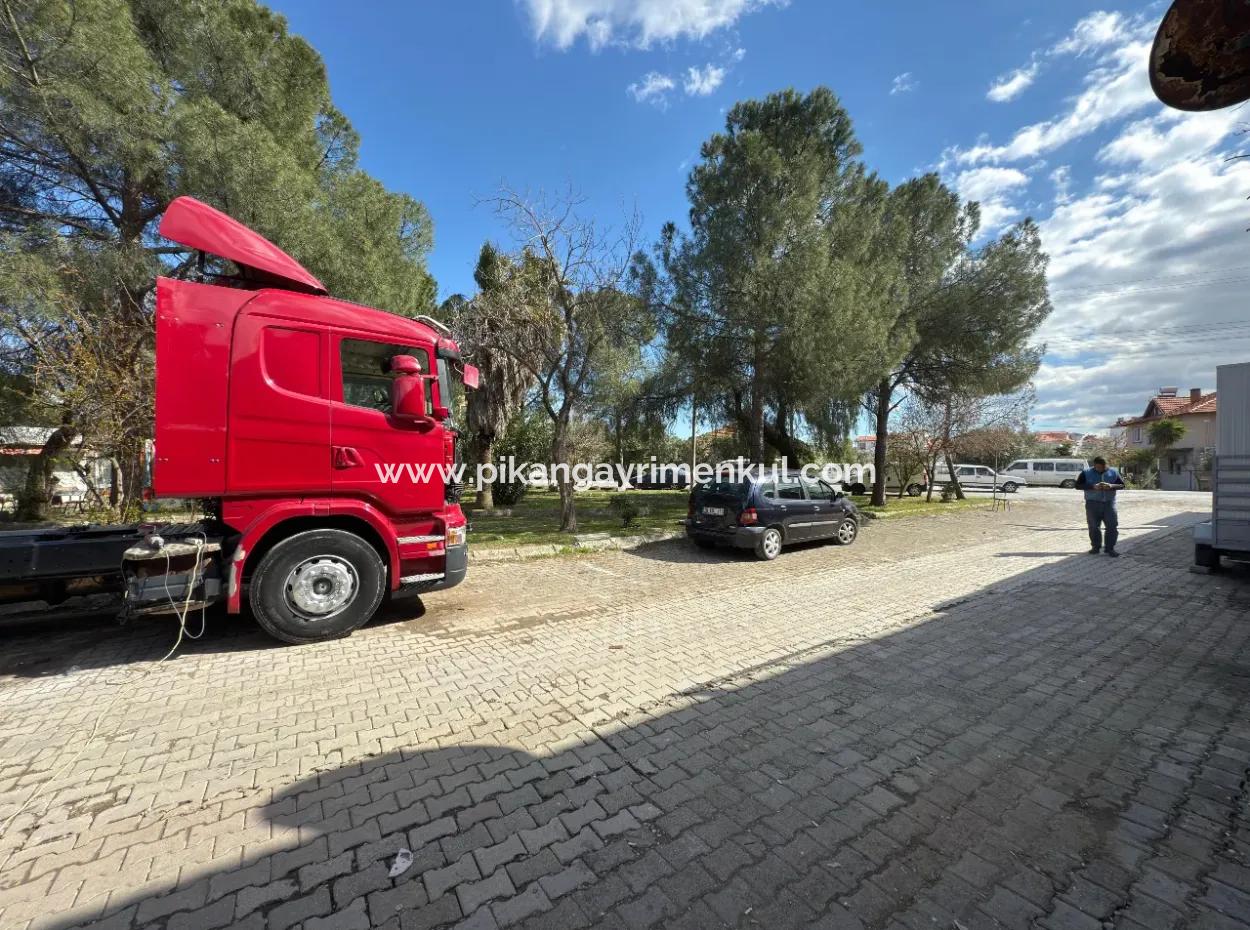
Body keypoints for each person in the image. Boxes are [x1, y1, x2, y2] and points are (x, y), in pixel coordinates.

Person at [1075, 457, 1126, 557]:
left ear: (1106, 465)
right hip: (1092, 504)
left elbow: (1122, 485)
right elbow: (1078, 486)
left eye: (1103, 467)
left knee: (1112, 526)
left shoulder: (1113, 472)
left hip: (1109, 503)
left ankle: (1110, 548)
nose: (1100, 469)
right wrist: (1092, 486)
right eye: (1098, 467)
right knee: (1094, 526)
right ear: (1094, 465)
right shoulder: (1086, 472)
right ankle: (1096, 547)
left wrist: (1111, 486)